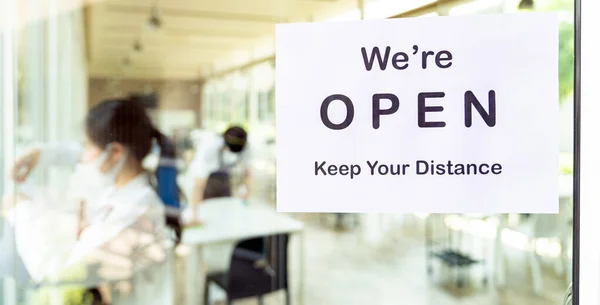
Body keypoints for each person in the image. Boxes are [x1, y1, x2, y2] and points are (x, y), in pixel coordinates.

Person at [3, 98, 175, 304]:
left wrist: (20, 208)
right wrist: (42, 154)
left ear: (116, 152)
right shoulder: (123, 192)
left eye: (86, 145)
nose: (83, 156)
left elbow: (57, 272)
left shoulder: (137, 212)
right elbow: (84, 156)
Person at [188, 125, 250, 223]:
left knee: (225, 209)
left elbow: (247, 172)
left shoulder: (244, 145)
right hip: (207, 180)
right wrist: (194, 216)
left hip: (224, 178)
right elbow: (198, 186)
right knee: (208, 209)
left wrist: (245, 189)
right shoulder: (209, 148)